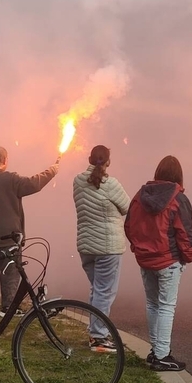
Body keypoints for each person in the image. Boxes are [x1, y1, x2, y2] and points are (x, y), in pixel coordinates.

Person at [0, 146, 60, 317]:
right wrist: (52, 171)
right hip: (8, 236)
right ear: (4, 160)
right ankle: (8, 307)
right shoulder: (9, 179)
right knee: (10, 271)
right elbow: (34, 183)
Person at [124, 155, 192, 373]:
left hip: (145, 260)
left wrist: (139, 247)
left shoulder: (140, 196)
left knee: (153, 304)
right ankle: (163, 355)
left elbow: (129, 226)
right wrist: (188, 255)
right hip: (168, 260)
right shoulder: (178, 198)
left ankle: (156, 351)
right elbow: (185, 232)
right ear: (178, 175)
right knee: (166, 307)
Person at [72, 145, 130, 352]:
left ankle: (95, 333)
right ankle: (98, 338)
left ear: (89, 159)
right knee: (104, 292)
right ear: (108, 161)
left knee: (98, 290)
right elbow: (127, 207)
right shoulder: (111, 183)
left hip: (86, 245)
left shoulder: (77, 181)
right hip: (108, 247)